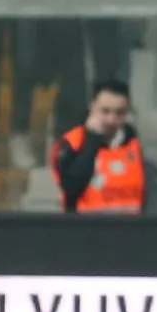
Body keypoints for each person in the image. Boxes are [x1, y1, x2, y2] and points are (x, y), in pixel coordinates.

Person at [50, 80, 147, 214]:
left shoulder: (134, 145)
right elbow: (72, 188)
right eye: (105, 111)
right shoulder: (72, 143)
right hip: (86, 230)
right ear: (93, 108)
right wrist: (91, 138)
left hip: (129, 230)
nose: (111, 119)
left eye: (119, 113)